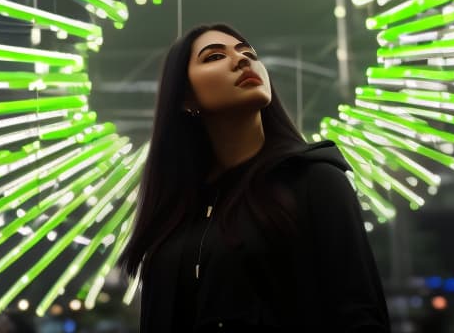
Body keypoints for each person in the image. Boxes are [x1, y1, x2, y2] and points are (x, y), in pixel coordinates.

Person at [120, 23, 391, 332]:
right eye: (214, 57)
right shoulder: (176, 212)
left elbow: (359, 313)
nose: (242, 60)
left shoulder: (314, 179)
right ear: (185, 98)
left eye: (248, 53)